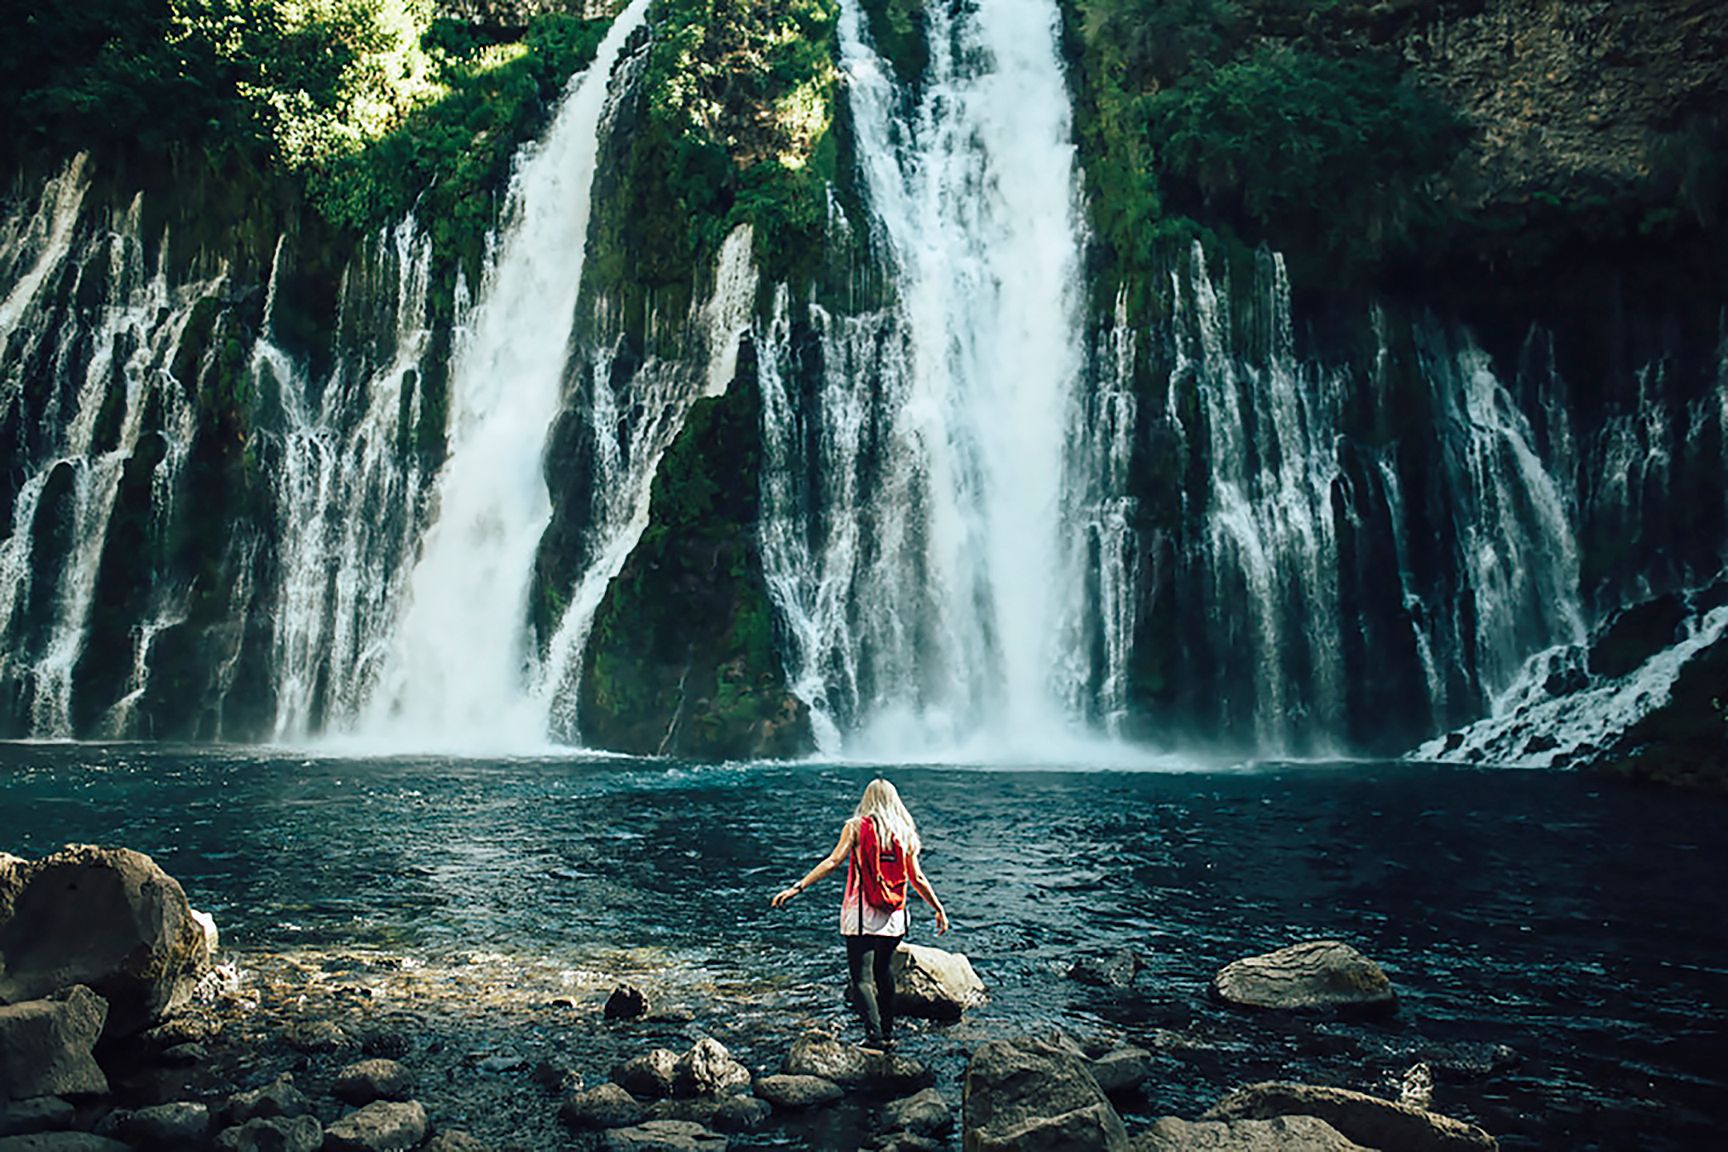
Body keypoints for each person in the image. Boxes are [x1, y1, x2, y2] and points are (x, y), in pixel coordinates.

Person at [771, 777, 949, 1047]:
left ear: (867, 800)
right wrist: (938, 909)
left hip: (862, 913)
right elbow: (918, 878)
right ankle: (888, 1033)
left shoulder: (855, 827)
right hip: (895, 915)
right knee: (883, 970)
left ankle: (875, 1037)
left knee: (861, 978)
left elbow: (833, 862)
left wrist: (798, 887)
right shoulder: (905, 833)